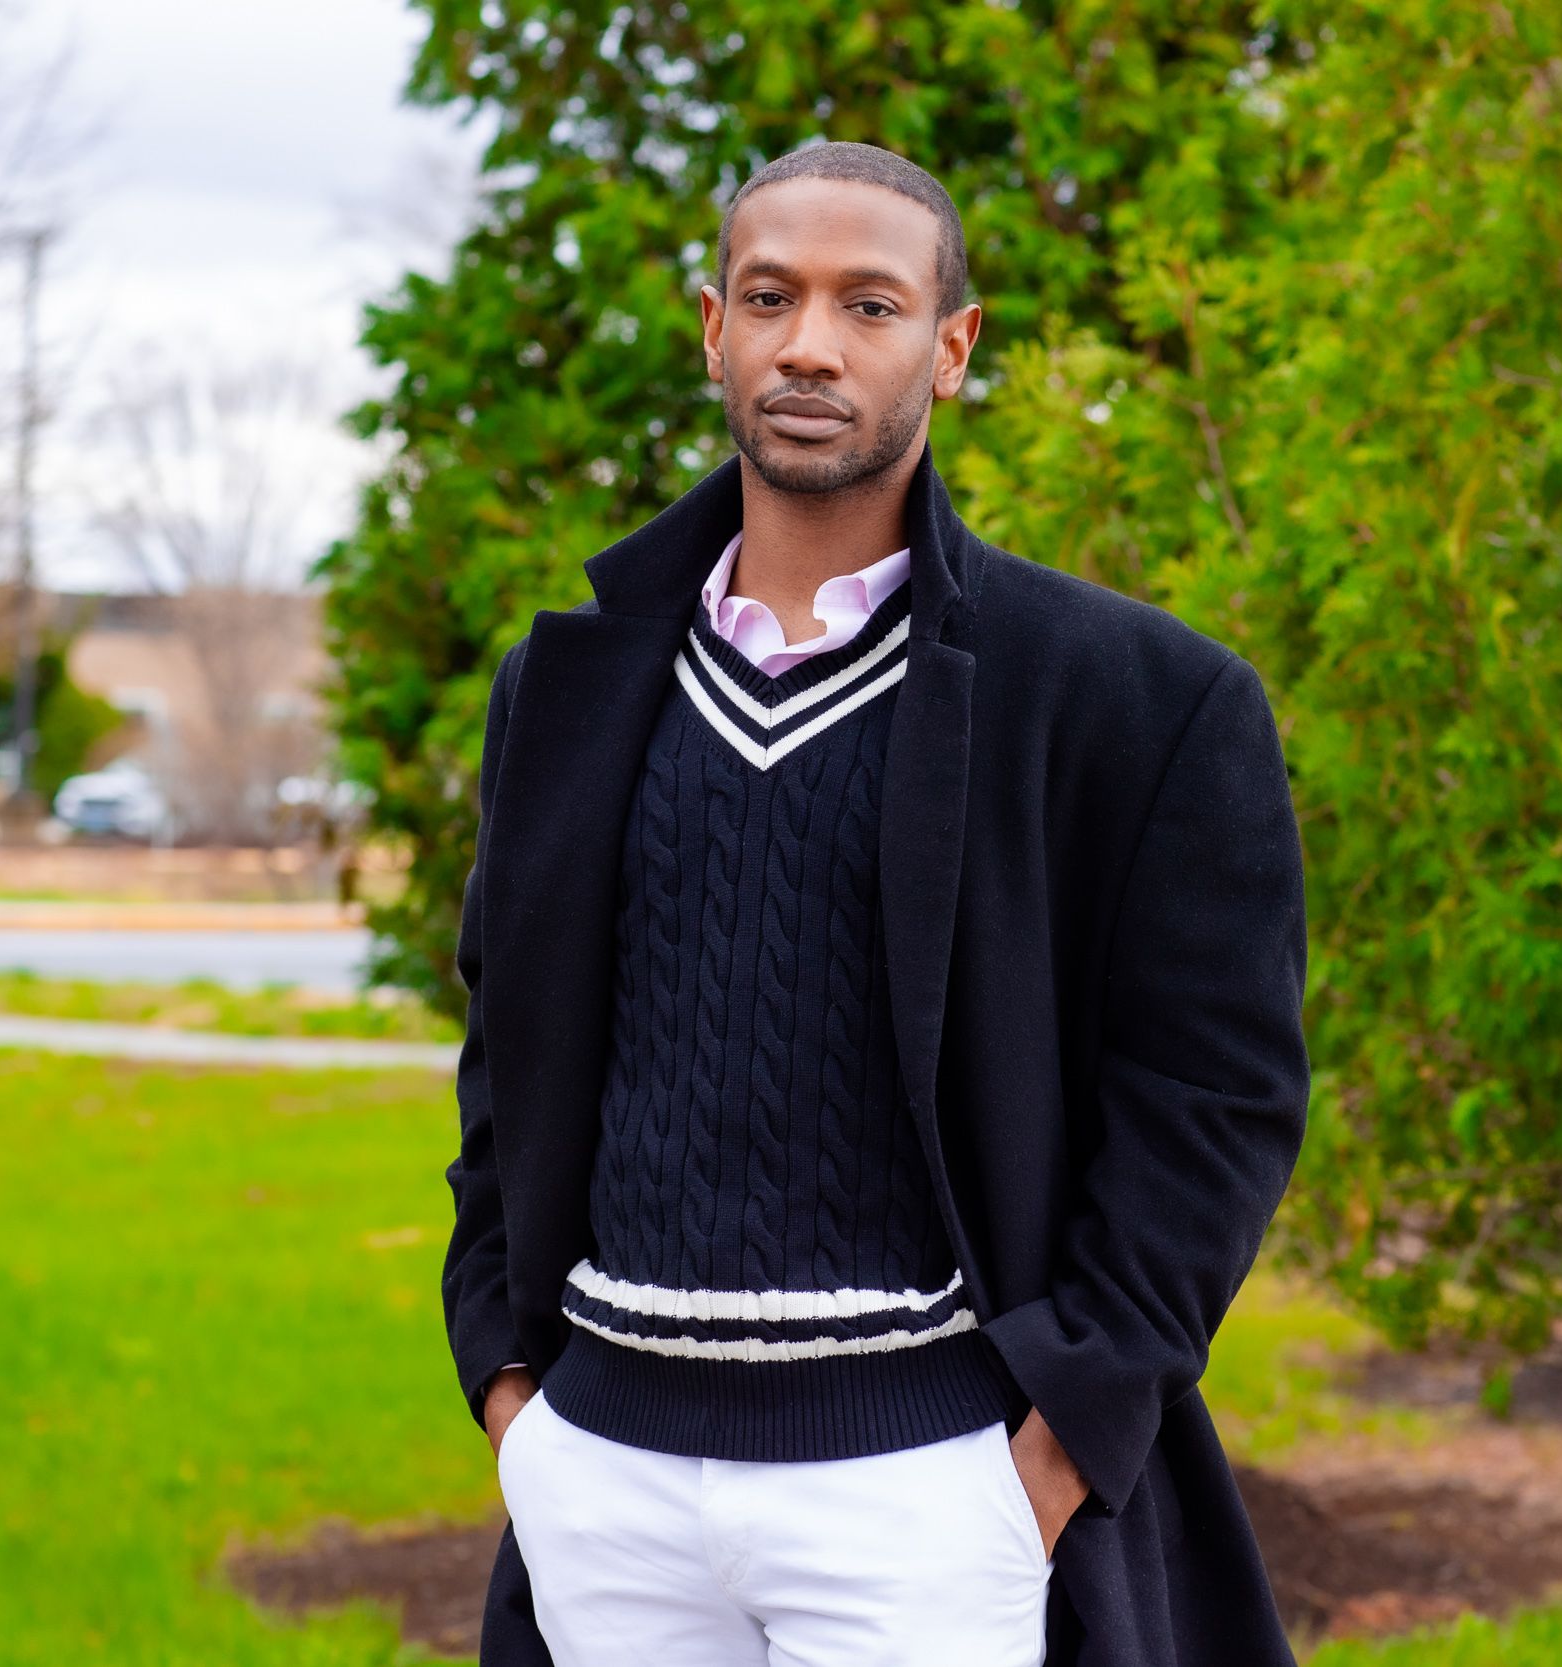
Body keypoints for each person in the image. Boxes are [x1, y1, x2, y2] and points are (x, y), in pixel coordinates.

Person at [442, 139, 1311, 1667]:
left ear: (951, 348)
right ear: (713, 328)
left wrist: (1047, 1458)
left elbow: (1216, 1101)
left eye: (871, 304)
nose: (811, 345)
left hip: (926, 1494)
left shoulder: (1130, 699)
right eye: (770, 298)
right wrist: (512, 1388)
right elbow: (507, 1051)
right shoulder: (565, 685)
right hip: (607, 1482)